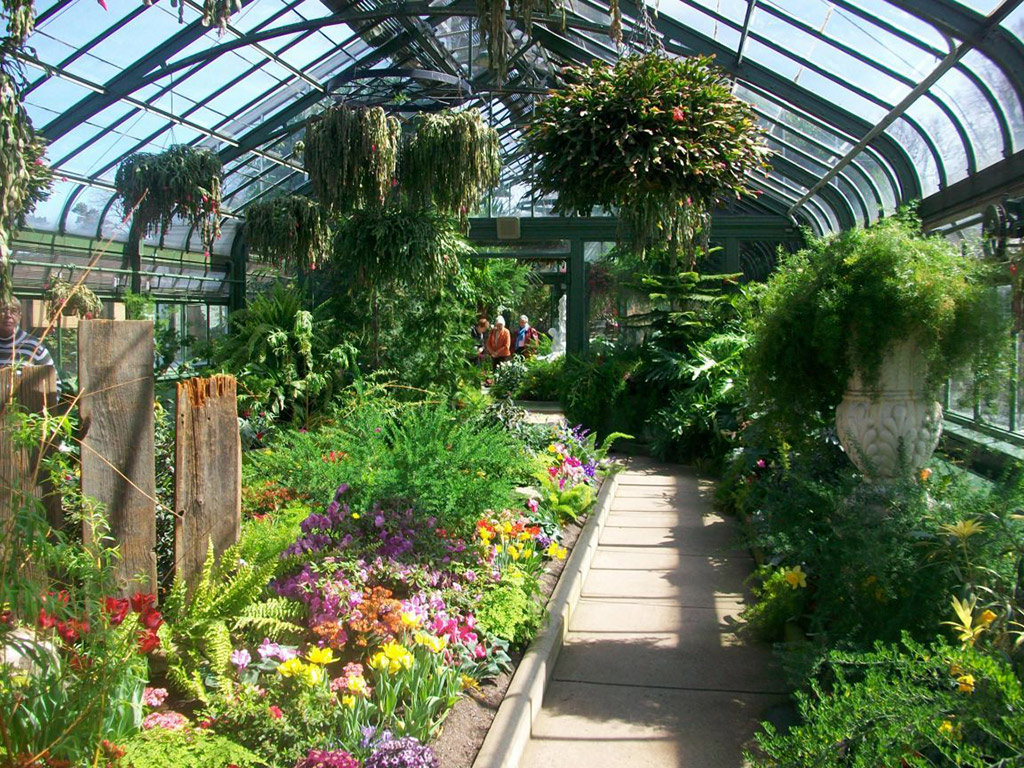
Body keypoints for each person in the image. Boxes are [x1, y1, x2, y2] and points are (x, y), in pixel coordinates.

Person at [0, 296, 61, 392]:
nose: (8, 315)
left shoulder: (33, 346)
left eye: (13, 311)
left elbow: (55, 383)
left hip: (25, 400)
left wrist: (46, 402)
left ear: (20, 316)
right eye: (3, 310)